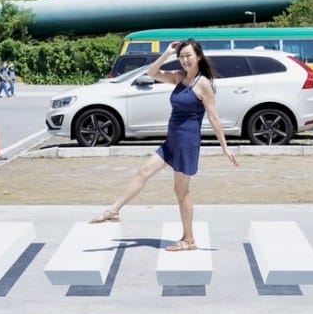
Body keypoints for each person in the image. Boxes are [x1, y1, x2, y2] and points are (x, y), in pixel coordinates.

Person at [89, 39, 238, 251]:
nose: (185, 59)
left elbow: (214, 118)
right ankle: (114, 211)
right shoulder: (179, 77)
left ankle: (189, 240)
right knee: (144, 171)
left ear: (198, 57)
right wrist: (167, 53)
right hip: (171, 140)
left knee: (181, 191)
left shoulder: (202, 84)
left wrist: (225, 146)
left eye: (189, 56)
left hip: (187, 143)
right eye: (182, 56)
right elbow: (151, 73)